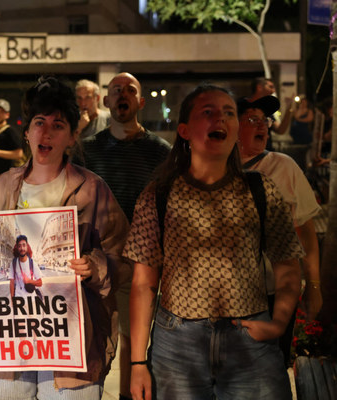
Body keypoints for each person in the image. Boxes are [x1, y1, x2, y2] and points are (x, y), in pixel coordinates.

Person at [125, 85, 304, 400]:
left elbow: (288, 263)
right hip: (177, 346)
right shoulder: (158, 195)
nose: (219, 119)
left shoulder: (261, 190)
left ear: (236, 130)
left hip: (251, 342)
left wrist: (278, 324)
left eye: (229, 113)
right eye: (207, 112)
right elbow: (143, 284)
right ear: (184, 130)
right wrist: (138, 361)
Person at [0, 76, 129, 399]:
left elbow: (124, 257)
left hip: (71, 350)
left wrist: (96, 268)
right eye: (39, 123)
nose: (47, 132)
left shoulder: (92, 190)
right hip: (8, 345)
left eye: (58, 125)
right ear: (26, 133)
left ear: (72, 137)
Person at [82, 72, 170, 400]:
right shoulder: (87, 150)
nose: (123, 94)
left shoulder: (162, 152)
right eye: (116, 90)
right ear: (106, 101)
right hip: (95, 261)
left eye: (130, 90)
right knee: (93, 343)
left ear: (140, 102)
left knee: (135, 344)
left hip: (140, 264)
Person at [237, 95, 322, 363]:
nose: (262, 126)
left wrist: (314, 285)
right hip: (227, 298)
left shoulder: (284, 166)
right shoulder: (212, 169)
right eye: (252, 119)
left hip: (276, 294)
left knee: (273, 368)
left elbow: (305, 233)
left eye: (265, 120)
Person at [243, 77, 292, 150]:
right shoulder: (244, 106)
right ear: (259, 87)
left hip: (265, 151)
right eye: (270, 87)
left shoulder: (266, 109)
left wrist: (289, 109)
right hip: (248, 152)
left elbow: (280, 130)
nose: (273, 91)